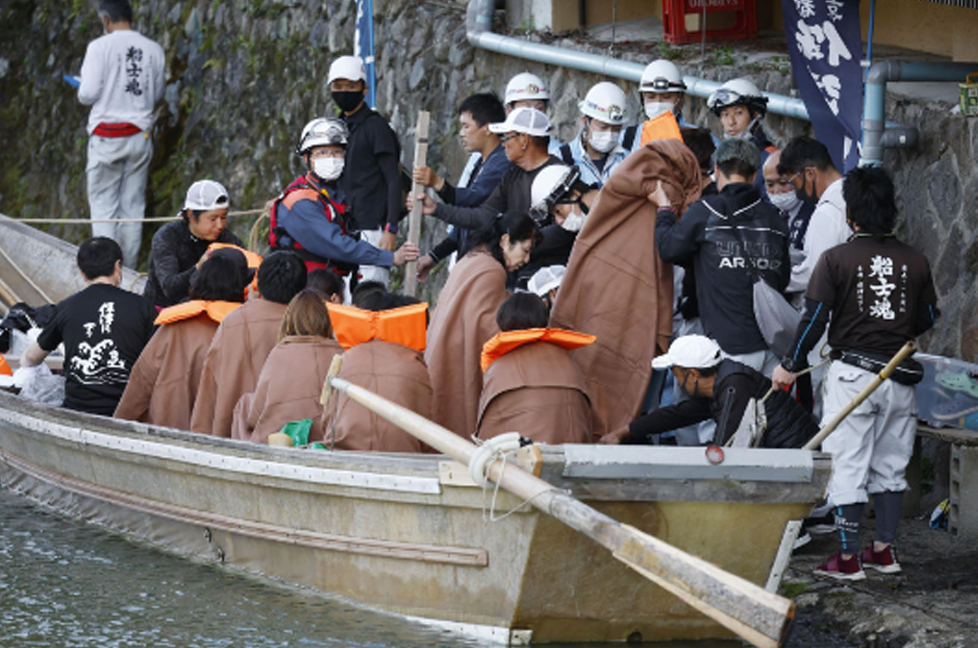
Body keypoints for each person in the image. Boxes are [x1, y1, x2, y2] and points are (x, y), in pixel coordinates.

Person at [772, 166, 940, 581]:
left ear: (852, 213)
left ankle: (848, 559)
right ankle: (884, 550)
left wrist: (790, 365)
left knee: (848, 464)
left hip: (852, 377)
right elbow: (928, 316)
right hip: (898, 376)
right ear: (891, 210)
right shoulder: (915, 260)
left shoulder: (835, 259)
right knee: (891, 465)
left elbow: (813, 321)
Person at [549, 138, 702, 438]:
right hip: (653, 326)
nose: (557, 222)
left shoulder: (613, 210)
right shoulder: (653, 211)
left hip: (615, 322)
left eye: (557, 212)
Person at [655, 138, 790, 377]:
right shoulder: (775, 219)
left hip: (728, 348)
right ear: (754, 175)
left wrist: (664, 210)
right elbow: (784, 278)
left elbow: (668, 248)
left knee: (722, 412)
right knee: (768, 414)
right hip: (773, 347)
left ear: (716, 171)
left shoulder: (706, 211)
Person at [410, 108, 568, 286]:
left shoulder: (560, 177)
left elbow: (566, 230)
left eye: (507, 138)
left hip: (549, 282)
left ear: (524, 140)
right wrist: (437, 209)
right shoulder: (511, 175)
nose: (502, 144)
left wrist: (524, 244)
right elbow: (483, 217)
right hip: (514, 278)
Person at [425, 211, 540, 438]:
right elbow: (490, 330)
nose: (525, 260)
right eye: (525, 251)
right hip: (458, 363)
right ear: (505, 240)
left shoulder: (471, 259)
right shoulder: (491, 270)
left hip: (440, 356)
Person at [270, 117, 417, 287]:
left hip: (331, 285)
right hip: (301, 291)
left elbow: (371, 206)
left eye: (337, 152)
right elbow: (335, 244)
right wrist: (390, 257)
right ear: (306, 158)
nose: (331, 158)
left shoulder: (335, 193)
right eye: (322, 152)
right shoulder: (300, 201)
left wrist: (405, 204)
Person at [114, 248, 252, 428]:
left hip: (169, 427)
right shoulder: (246, 329)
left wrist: (120, 422)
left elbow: (142, 379)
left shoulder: (174, 325)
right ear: (240, 285)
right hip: (221, 434)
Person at [600, 335, 818, 448]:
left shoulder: (734, 387)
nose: (676, 381)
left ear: (693, 374)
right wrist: (624, 432)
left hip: (794, 454)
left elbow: (723, 448)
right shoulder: (721, 378)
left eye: (676, 374)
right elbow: (679, 414)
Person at [20, 237, 156, 415]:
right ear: (117, 266)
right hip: (129, 413)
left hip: (78, 410)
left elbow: (31, 358)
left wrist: (25, 362)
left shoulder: (66, 308)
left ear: (82, 273)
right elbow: (160, 362)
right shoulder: (143, 307)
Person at [77, 0, 165, 269]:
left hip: (106, 138)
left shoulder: (99, 47)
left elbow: (87, 93)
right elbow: (158, 94)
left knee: (104, 209)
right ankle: (125, 273)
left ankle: (104, 273)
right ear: (132, 16)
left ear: (105, 20)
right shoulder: (153, 49)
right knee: (132, 209)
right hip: (139, 136)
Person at [190, 251, 307, 437]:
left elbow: (209, 384)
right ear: (301, 290)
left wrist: (200, 433)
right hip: (292, 439)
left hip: (231, 436)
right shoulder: (308, 326)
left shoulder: (233, 321)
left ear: (258, 285)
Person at [412, 93, 513, 279]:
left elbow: (472, 202)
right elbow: (464, 220)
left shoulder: (502, 162)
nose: (461, 133)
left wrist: (437, 184)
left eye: (466, 126)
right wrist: (435, 256)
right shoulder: (481, 161)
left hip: (486, 266)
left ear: (488, 128)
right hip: (471, 261)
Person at [478, 293, 595, 444]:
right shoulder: (570, 362)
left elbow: (486, 432)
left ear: (502, 323)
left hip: (518, 459)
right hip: (570, 453)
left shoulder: (497, 369)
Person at [231, 289, 344, 444]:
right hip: (327, 442)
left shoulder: (280, 353)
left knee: (244, 403)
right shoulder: (342, 354)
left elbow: (254, 416)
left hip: (281, 440)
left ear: (290, 319)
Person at [328, 55, 403, 285]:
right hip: (341, 229)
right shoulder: (336, 128)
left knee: (370, 294)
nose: (344, 91)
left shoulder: (376, 127)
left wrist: (391, 228)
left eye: (351, 86)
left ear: (364, 88)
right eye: (338, 86)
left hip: (372, 229)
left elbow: (393, 179)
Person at [326, 293, 431, 452]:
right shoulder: (414, 367)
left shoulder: (344, 359)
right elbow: (428, 432)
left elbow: (327, 420)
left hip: (344, 456)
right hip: (404, 459)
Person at [143, 179, 244, 309]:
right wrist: (198, 268)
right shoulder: (168, 237)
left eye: (223, 217)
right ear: (191, 215)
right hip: (165, 309)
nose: (220, 225)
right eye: (212, 219)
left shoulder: (225, 238)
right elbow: (169, 288)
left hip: (210, 308)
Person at [777, 136, 848, 294]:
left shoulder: (828, 211)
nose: (796, 191)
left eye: (794, 183)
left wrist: (774, 281)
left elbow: (814, 272)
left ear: (809, 173)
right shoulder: (850, 195)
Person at [706, 78, 776, 197]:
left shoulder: (771, 159)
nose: (731, 122)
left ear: (756, 115)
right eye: (725, 114)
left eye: (738, 113)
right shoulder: (718, 155)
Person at [556, 82, 630, 188]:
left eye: (616, 129)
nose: (609, 135)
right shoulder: (561, 159)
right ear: (585, 122)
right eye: (603, 127)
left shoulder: (629, 161)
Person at [624, 59, 687, 150]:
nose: (658, 104)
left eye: (666, 97)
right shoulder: (627, 139)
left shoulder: (699, 139)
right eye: (651, 97)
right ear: (643, 98)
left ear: (681, 98)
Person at [763, 150, 814, 264]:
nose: (777, 191)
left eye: (783, 183)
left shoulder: (816, 214)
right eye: (770, 185)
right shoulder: (767, 216)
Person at [502, 72, 565, 154]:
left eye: (539, 109)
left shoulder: (557, 152)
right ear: (509, 111)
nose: (533, 115)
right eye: (525, 110)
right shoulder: (500, 151)